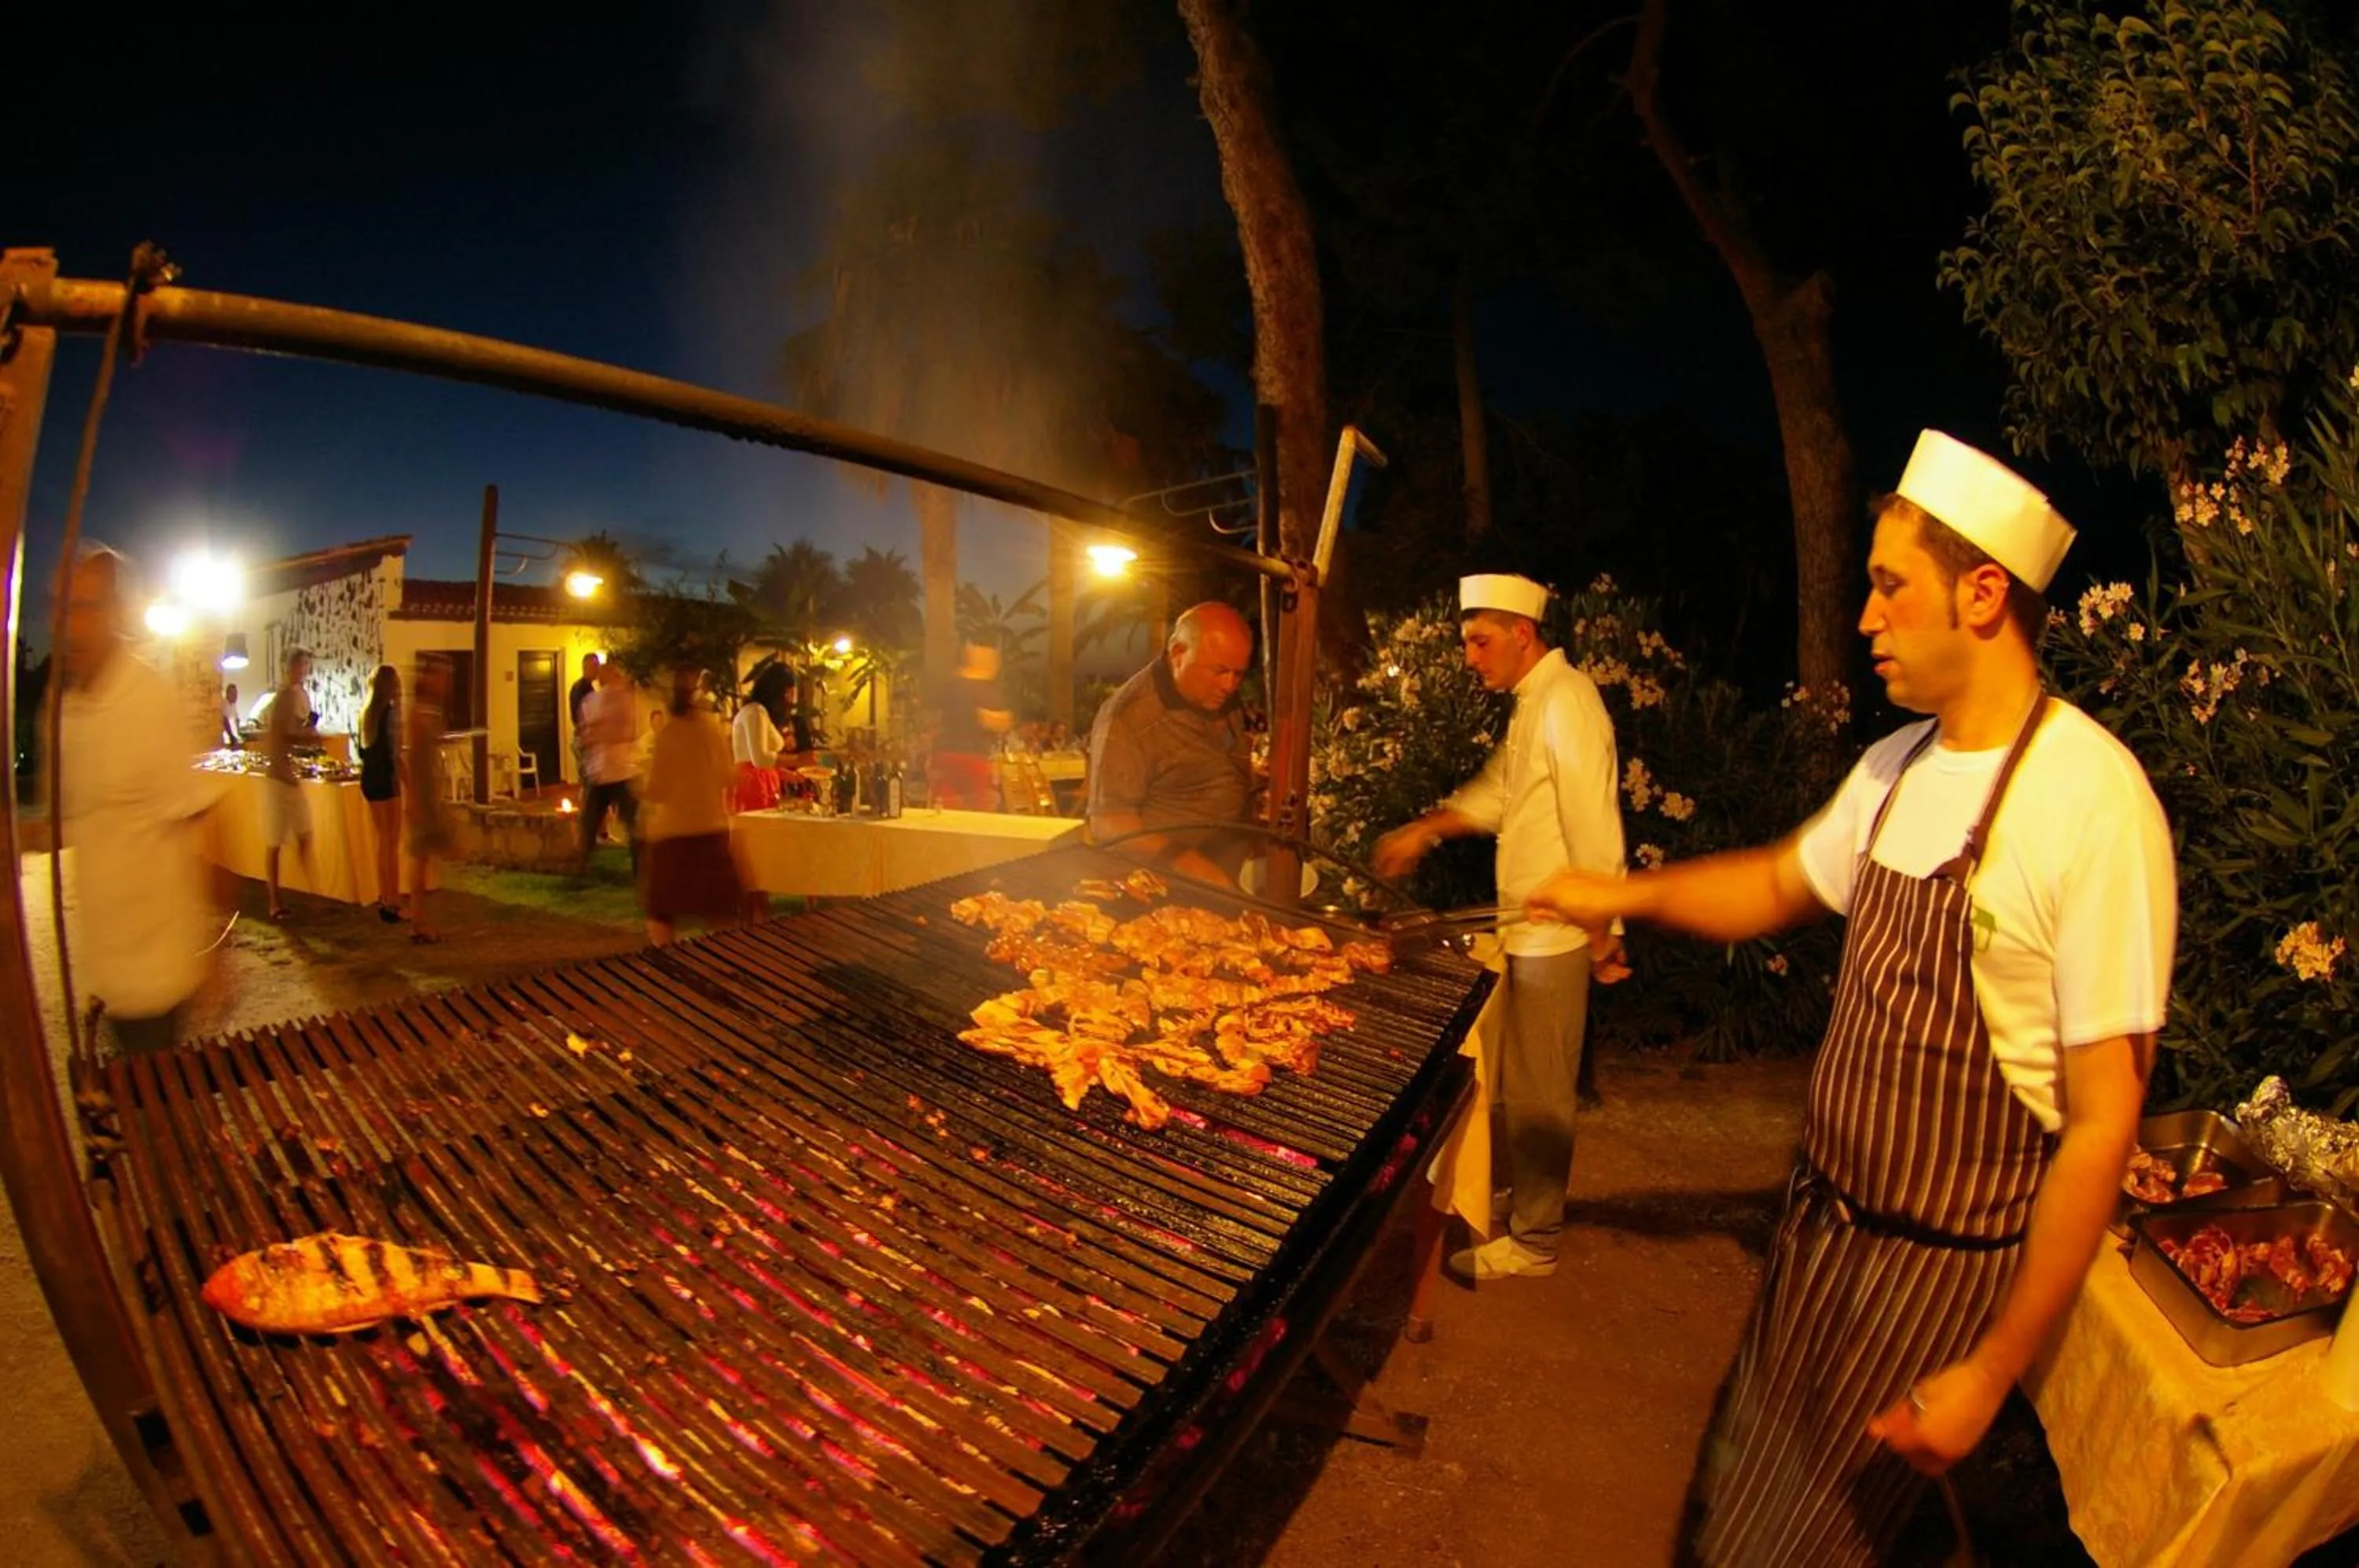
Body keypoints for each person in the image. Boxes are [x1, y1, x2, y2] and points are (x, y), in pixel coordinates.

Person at [1525, 431, 2176, 1566]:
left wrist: (1989, 1367)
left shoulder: (2091, 801)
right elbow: (1778, 880)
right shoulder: (1895, 768)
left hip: (1934, 1280)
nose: (1866, 617)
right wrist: (1618, 890)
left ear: (1982, 594)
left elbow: (2104, 1125)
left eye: (1888, 585)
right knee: (1724, 1513)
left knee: (1789, 1551)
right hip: (1817, 1237)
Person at [1371, 572, 1626, 1283]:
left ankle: (1537, 1240)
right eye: (1466, 643)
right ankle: (1530, 1204)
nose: (1471, 657)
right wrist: (1429, 828)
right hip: (1526, 928)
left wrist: (1603, 930)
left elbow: (1593, 822)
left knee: (1544, 1087)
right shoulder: (1535, 701)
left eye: (1480, 641)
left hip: (1557, 932)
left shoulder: (1568, 703)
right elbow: (1503, 793)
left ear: (1522, 633)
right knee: (1521, 1079)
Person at [56, 547, 223, 1056]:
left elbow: (197, 821)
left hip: (155, 974)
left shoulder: (149, 698)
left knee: (160, 1114)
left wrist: (216, 955)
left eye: (85, 608)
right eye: (65, 608)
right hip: (104, 969)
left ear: (115, 612)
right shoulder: (67, 708)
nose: (72, 624)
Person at [1084, 602, 1257, 887]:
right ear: (1178, 653)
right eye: (1219, 671)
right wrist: (1188, 862)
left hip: (1223, 867)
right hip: (1160, 883)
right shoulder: (1130, 716)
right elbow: (1109, 823)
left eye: (1238, 674)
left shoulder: (1217, 695)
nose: (1230, 686)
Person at [640, 664, 748, 944]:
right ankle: (723, 964)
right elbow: (729, 777)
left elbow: (658, 789)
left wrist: (640, 785)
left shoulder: (667, 736)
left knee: (661, 912)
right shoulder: (711, 730)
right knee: (720, 911)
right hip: (712, 829)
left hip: (675, 834)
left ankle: (669, 965)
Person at [259, 646, 318, 921]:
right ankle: (275, 900)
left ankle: (310, 889)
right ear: (292, 668)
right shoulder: (286, 696)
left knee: (304, 833)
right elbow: (286, 734)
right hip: (278, 778)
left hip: (287, 776)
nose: (303, 672)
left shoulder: (294, 696)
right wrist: (311, 735)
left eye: (305, 667)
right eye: (301, 666)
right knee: (275, 841)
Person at [400, 655, 455, 943]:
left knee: (427, 857)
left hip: (430, 792)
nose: (445, 683)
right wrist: (415, 799)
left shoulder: (431, 711)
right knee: (421, 858)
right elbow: (412, 757)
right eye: (441, 677)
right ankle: (418, 921)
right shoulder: (418, 714)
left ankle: (419, 917)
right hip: (423, 795)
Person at [929, 642, 1014, 810]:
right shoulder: (985, 691)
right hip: (973, 758)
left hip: (944, 756)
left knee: (947, 808)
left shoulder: (951, 685)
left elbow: (935, 718)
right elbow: (998, 721)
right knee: (979, 809)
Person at [578, 658, 641, 874]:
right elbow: (586, 734)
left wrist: (600, 731)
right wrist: (597, 732)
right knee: (590, 824)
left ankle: (640, 870)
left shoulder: (624, 699)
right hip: (600, 771)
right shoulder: (590, 701)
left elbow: (627, 731)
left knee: (633, 825)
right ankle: (581, 867)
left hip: (622, 770)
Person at [358, 664, 406, 923]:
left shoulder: (366, 714)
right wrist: (410, 785)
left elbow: (363, 752)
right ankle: (394, 900)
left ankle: (384, 895)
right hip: (387, 780)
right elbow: (396, 755)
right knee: (392, 842)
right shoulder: (390, 713)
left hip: (369, 779)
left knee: (382, 842)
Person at [730, 663, 792, 814]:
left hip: (762, 781)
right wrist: (799, 759)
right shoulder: (755, 712)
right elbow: (759, 759)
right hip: (755, 785)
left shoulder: (759, 713)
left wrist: (785, 773)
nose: (789, 701)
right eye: (788, 694)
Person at [568, 651, 602, 786]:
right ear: (586, 667)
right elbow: (580, 716)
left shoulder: (587, 688)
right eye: (595, 666)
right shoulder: (582, 689)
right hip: (585, 740)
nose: (597, 670)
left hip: (585, 739)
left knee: (589, 781)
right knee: (588, 782)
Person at [219, 682, 242, 749]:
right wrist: (231, 736)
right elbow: (224, 721)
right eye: (233, 694)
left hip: (233, 736)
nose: (235, 696)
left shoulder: (233, 705)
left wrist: (239, 732)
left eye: (236, 694)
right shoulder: (224, 704)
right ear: (227, 694)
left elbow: (237, 719)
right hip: (225, 739)